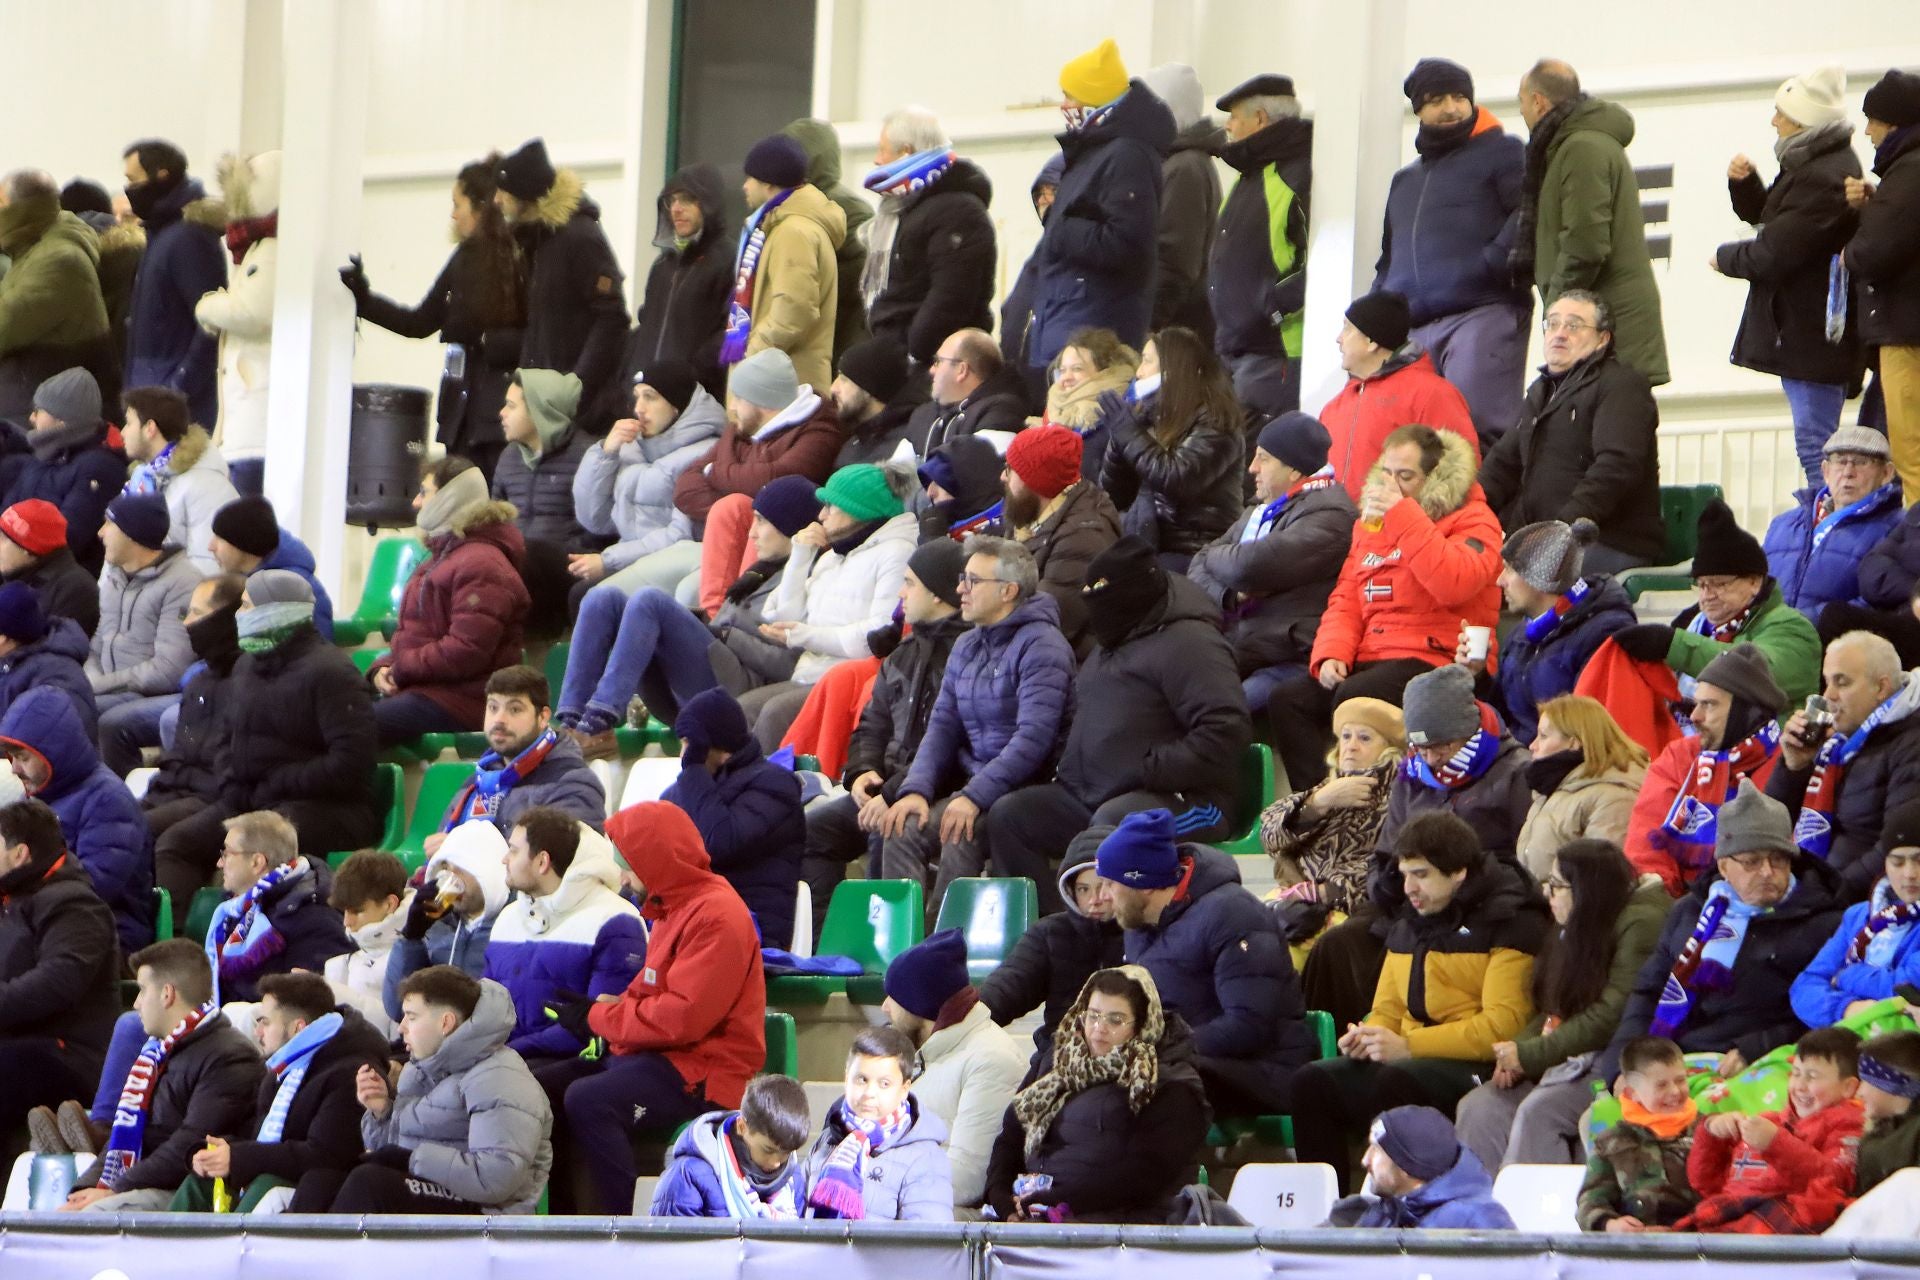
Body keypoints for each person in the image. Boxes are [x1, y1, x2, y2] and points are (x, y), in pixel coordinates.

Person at [1291, 812, 1549, 1194]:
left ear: (1458, 872)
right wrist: (1369, 1036)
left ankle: (1397, 1202)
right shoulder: (1411, 921)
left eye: (1422, 874)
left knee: (1397, 1079)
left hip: (1478, 1065)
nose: (1409, 887)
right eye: (1405, 873)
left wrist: (1409, 1047)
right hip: (1412, 1058)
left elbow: (1502, 1026)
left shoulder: (1510, 919)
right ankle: (1328, 1206)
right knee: (1312, 1081)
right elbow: (1389, 1008)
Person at [989, 538, 1249, 916]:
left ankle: (1111, 949)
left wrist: (1150, 769)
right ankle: (1052, 934)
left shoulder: (1191, 642)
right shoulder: (1110, 644)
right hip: (1097, 794)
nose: (1097, 612)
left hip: (1189, 800)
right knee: (1012, 815)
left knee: (1113, 825)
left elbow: (1226, 729)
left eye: (1105, 599)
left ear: (1132, 594)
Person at [555, 802, 768, 1216]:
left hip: (706, 1072)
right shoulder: (672, 907)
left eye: (630, 865)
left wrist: (599, 1019)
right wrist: (602, 1010)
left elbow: (681, 1019)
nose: (624, 878)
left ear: (656, 860)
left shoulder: (718, 915)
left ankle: (620, 1228)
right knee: (544, 1085)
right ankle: (560, 1219)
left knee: (588, 1099)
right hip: (665, 1058)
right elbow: (648, 994)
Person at [1268, 423, 1502, 794]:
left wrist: (1404, 516)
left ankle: (1370, 807)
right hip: (1372, 655)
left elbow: (1454, 582)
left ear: (1435, 476)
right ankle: (1321, 806)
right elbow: (1347, 596)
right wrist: (1332, 653)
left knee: (1357, 697)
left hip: (1437, 658)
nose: (1392, 484)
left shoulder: (1474, 519)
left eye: (1406, 476)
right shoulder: (1370, 526)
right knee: (1287, 700)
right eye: (1388, 474)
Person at [1596, 779, 1844, 1090]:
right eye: (1752, 861)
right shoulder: (1690, 911)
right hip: (1671, 1058)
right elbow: (1648, 992)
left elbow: (1826, 1014)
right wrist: (1621, 1068)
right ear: (1724, 866)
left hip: (1751, 1067)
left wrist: (1757, 1047)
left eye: (1778, 859)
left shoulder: (1823, 924)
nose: (1767, 872)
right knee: (1574, 1115)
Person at [153, 575, 375, 913]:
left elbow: (351, 763)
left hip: (324, 808)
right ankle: (181, 949)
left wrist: (276, 783)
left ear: (279, 611)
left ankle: (258, 943)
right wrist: (233, 785)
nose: (239, 614)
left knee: (250, 846)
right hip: (253, 800)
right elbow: (227, 741)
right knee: (175, 843)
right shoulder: (246, 666)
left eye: (246, 605)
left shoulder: (331, 672)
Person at [1453, 839, 1669, 1173]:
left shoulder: (1640, 924)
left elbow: (1611, 1017)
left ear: (1587, 891)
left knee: (1540, 1112)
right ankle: (1482, 1215)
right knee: (1480, 1106)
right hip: (1567, 1052)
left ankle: (1536, 1221)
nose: (1545, 894)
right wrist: (1515, 1052)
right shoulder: (1577, 923)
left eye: (1557, 886)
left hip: (1612, 1057)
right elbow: (1552, 1006)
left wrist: (1530, 1055)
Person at [883, 536, 1074, 912]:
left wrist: (974, 796)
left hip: (1025, 790)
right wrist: (916, 789)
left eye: (972, 581)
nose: (959, 590)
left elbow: (1033, 740)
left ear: (1008, 591)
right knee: (903, 826)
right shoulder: (966, 645)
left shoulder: (1042, 646)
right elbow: (941, 727)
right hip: (977, 787)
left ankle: (948, 947)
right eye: (961, 578)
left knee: (959, 831)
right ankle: (900, 948)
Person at [556, 476, 816, 745]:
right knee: (601, 597)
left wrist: (727, 636)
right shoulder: (762, 571)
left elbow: (791, 665)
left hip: (739, 690)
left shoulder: (809, 580)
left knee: (650, 600)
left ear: (790, 526)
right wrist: (703, 624)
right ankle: (571, 720)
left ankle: (599, 722)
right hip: (709, 672)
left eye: (762, 521)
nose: (751, 533)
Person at [1096, 808, 1315, 1115]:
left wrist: (1157, 1050)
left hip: (1264, 1068)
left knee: (1141, 1076)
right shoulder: (1138, 924)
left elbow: (1249, 1026)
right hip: (1190, 1060)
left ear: (1143, 882)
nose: (1102, 896)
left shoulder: (1234, 915)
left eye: (1109, 883)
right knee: (1067, 1062)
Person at [289, 967, 552, 1214]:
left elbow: (496, 1178)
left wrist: (412, 1159)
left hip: (490, 1209)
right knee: (321, 1178)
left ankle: (331, 1262)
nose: (401, 1027)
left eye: (411, 1017)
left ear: (445, 1023)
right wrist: (382, 1111)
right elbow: (394, 1150)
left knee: (370, 1183)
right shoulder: (419, 1071)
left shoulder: (499, 1077)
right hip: (434, 1186)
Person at [802, 541, 968, 922]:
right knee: (810, 833)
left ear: (939, 594)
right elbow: (871, 726)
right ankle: (828, 937)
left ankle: (883, 947)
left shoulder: (967, 654)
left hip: (936, 788)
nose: (901, 592)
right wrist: (862, 773)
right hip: (887, 787)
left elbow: (954, 746)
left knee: (886, 826)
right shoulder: (902, 653)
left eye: (909, 583)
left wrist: (891, 793)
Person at [1714, 67, 1864, 486]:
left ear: (1803, 120)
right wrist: (1746, 188)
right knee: (1817, 444)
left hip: (1812, 334)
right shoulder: (1810, 163)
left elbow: (1777, 251)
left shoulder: (1822, 175)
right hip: (1805, 332)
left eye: (1780, 112)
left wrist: (1724, 258)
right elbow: (1779, 222)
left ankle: (1829, 531)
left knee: (1818, 448)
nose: (1774, 120)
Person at [1374, 59, 1530, 445]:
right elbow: (1387, 256)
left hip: (1482, 312)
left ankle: (1487, 508)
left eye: (1460, 96)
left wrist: (1491, 264)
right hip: (1414, 331)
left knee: (1476, 433)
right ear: (1419, 110)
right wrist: (1380, 309)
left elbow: (1529, 211)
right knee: (1418, 443)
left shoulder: (1503, 151)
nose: (1451, 107)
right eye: (1436, 99)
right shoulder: (1404, 180)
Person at [342, 152, 527, 476]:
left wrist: (484, 339)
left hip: (496, 418)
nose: (453, 216)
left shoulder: (518, 258)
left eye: (458, 204)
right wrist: (364, 299)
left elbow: (536, 336)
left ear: (480, 207)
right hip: (460, 415)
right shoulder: (463, 259)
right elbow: (418, 322)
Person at [983, 965, 1211, 1224]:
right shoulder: (1055, 1062)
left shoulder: (1169, 1081)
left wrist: (1059, 1200)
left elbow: (1146, 1174)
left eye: (1115, 1020)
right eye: (1093, 1016)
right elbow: (1011, 1137)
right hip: (1041, 1213)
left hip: (1123, 1223)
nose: (1100, 1028)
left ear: (1142, 1025)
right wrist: (1000, 1195)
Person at [57, 939, 261, 1212]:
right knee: (67, 1211)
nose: (137, 1004)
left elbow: (189, 1144)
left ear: (167, 994)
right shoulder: (157, 1052)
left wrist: (114, 1190)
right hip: (146, 1184)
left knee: (91, 1218)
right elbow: (126, 1133)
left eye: (142, 991)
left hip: (190, 1192)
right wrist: (87, 1188)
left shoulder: (229, 1057)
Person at [167, 971, 390, 1214]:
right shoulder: (280, 1068)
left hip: (313, 1191)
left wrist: (240, 1157)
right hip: (268, 1174)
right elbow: (257, 1138)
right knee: (200, 1182)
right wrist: (212, 1152)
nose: (258, 1032)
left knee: (265, 1185)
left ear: (297, 1028)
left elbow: (324, 1155)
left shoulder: (349, 1071)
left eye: (265, 1022)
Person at [1597, 499, 1823, 737]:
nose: (1708, 596)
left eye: (1719, 584)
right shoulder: (1693, 624)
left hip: (1756, 760)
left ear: (1754, 582)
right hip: (1686, 753)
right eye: (1702, 585)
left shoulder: (1793, 629)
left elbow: (1754, 672)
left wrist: (1672, 645)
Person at [1479, 293, 1664, 574]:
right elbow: (1501, 466)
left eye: (1574, 326)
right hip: (1541, 540)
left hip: (1606, 542)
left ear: (1603, 339)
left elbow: (1616, 467)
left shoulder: (1622, 386)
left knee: (1504, 580)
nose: (1560, 334)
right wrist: (1462, 515)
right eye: (1552, 324)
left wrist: (1560, 532)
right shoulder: (1540, 392)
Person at [1513, 61, 1669, 387]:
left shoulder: (1580, 147)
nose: (1523, 113)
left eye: (1522, 103)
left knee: (1612, 433)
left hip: (1608, 329)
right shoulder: (1573, 145)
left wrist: (1557, 310)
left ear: (1538, 101)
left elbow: (1585, 243)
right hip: (1598, 324)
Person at [1190, 411, 1356, 711]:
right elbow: (1197, 565)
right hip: (1241, 646)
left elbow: (1248, 567)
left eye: (1263, 458)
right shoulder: (1263, 507)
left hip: (1287, 656)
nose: (1252, 468)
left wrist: (1212, 556)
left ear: (1294, 469)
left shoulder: (1331, 516)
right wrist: (1229, 593)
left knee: (1219, 712)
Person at [1026, 39, 1172, 375]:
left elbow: (1126, 244)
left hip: (1092, 338)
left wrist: (1061, 228)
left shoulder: (1126, 156)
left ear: (1095, 98)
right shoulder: (1095, 153)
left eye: (1070, 96)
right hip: (1069, 327)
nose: (1064, 105)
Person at [749, 463, 917, 747]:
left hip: (847, 682)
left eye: (831, 506)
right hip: (809, 674)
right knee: (741, 710)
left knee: (772, 715)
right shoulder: (834, 555)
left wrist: (802, 635)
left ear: (860, 509)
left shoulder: (897, 553)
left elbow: (878, 635)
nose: (821, 515)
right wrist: (801, 556)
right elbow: (782, 615)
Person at [368, 457, 528, 744]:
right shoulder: (439, 557)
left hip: (465, 701)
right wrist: (381, 669)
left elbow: (466, 650)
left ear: (450, 497)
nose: (416, 502)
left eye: (424, 492)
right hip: (429, 690)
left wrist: (401, 669)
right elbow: (414, 636)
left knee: (352, 728)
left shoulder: (482, 564)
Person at [486, 808, 646, 1068]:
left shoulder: (615, 921)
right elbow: (487, 1006)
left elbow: (598, 1024)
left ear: (542, 862)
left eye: (514, 850)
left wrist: (505, 1053)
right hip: (508, 1058)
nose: (505, 859)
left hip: (572, 1063)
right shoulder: (507, 918)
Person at [880, 928, 1028, 1208]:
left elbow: (967, 1180)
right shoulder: (925, 1053)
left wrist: (882, 1183)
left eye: (893, 996)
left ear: (919, 1002)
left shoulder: (991, 1060)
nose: (884, 1007)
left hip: (951, 1230)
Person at [1624, 644, 1788, 895]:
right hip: (1678, 903)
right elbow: (1646, 844)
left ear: (1744, 712)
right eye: (1696, 704)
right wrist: (1661, 899)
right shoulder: (1680, 756)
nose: (1694, 717)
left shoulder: (1787, 763)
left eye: (1709, 705)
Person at [0, 798, 121, 1137]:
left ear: (19, 853)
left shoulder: (75, 903)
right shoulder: (11, 900)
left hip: (66, 1052)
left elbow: (57, 982)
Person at [0, 685, 151, 952]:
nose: (14, 768)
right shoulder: (37, 796)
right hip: (37, 926)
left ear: (55, 752)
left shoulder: (109, 802)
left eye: (23, 757)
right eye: (12, 757)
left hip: (106, 935)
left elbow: (90, 891)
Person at [1769, 630, 1920, 897]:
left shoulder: (1911, 745)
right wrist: (1794, 767)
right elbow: (1767, 828)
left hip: (1851, 902)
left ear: (1881, 688)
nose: (1828, 696)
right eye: (1826, 682)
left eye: (1842, 682)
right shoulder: (1834, 745)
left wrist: (1825, 894)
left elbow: (1896, 848)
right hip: (1811, 888)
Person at [1677, 1026, 1865, 1234]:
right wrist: (1712, 1134)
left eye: (1812, 1076)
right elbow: (1706, 1185)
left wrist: (1775, 1143)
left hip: (1777, 1223)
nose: (1800, 1085)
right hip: (1726, 1216)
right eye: (1795, 1074)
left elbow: (1838, 1181)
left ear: (1849, 1087)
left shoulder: (1850, 1126)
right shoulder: (1767, 1121)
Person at [492, 138, 627, 415]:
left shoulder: (579, 237)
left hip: (573, 411)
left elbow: (612, 317)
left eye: (503, 191)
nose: (497, 200)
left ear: (524, 193)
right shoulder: (538, 241)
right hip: (541, 404)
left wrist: (576, 387)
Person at [1469, 520, 1636, 744]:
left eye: (1509, 570)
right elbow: (1503, 717)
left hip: (1564, 769)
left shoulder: (1603, 634)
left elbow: (1593, 734)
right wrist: (1478, 676)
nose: (1500, 581)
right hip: (1520, 761)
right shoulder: (1523, 633)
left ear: (1540, 575)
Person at [662, 687, 803, 947]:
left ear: (712, 743)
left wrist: (694, 771)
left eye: (688, 743)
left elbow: (720, 842)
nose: (683, 755)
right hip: (694, 922)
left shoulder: (775, 784)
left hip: (751, 927)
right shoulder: (683, 790)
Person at [570, 364, 724, 601]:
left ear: (677, 406)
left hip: (672, 566)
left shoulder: (705, 454)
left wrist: (609, 561)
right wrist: (605, 454)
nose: (639, 409)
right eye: (637, 397)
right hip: (627, 559)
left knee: (586, 596)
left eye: (650, 398)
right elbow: (595, 520)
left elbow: (681, 536)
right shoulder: (632, 448)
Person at [1099, 327, 1244, 571]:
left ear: (1172, 370)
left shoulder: (1217, 421)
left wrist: (1128, 432)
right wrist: (1119, 436)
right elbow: (1115, 494)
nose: (1139, 372)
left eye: (1147, 362)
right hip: (1150, 541)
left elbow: (1176, 477)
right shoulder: (1150, 416)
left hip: (1195, 550)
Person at [861, 107, 996, 368]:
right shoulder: (904, 210)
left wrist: (915, 353)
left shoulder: (958, 212)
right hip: (896, 355)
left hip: (930, 365)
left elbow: (950, 298)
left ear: (905, 152)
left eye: (882, 150)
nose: (877, 160)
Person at [1211, 73, 1312, 417]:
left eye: (1235, 116)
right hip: (1236, 351)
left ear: (1260, 119)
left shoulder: (1297, 174)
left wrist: (1272, 307)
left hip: (1276, 352)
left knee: (1259, 463)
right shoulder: (1250, 178)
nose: (1228, 125)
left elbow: (1318, 258)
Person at [1260, 698, 1405, 934]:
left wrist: (1326, 891)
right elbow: (1268, 837)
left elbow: (1392, 864)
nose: (1351, 746)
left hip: (1355, 913)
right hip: (1293, 901)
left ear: (1390, 749)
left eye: (1364, 738)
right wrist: (1317, 803)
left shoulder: (1401, 799)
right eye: (1346, 736)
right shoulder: (1326, 789)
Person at [978, 834, 1126, 1064]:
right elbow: (1009, 985)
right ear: (1070, 890)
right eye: (1083, 889)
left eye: (1103, 887)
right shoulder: (1049, 932)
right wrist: (963, 1020)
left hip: (1127, 1056)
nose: (1094, 900)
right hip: (1060, 1056)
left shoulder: (1142, 932)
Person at [1318, 291, 1478, 501]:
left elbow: (1457, 473)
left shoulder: (1432, 394)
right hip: (1334, 529)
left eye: (1347, 328)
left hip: (1397, 530)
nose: (1339, 339)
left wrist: (1408, 521)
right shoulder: (1334, 407)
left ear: (1371, 341)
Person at [721, 132, 847, 395]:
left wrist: (751, 355)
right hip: (772, 387)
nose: (744, 186)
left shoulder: (793, 232)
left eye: (750, 178)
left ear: (768, 184)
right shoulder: (777, 227)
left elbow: (794, 309)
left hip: (783, 391)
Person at [672, 347, 845, 538]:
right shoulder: (740, 429)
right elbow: (685, 489)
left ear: (762, 401)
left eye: (738, 398)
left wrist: (714, 471)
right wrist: (735, 509)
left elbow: (774, 482)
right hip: (719, 539)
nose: (731, 407)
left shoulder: (819, 434)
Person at [1844, 71, 1920, 501]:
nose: (1867, 130)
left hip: (1905, 334)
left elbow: (1875, 250)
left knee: (1910, 453)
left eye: (1872, 120)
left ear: (1894, 123)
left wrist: (1849, 252)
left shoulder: (1908, 173)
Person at [86, 494, 202, 774]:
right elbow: (97, 643)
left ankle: (117, 803)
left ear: (132, 533)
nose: (100, 533)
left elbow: (167, 670)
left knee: (93, 714)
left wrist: (96, 685)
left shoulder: (182, 582)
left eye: (108, 524)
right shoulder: (114, 575)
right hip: (111, 688)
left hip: (153, 693)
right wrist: (88, 680)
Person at [189, 149, 279, 494]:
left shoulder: (270, 252)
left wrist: (207, 306)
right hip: (246, 425)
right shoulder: (258, 249)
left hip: (255, 426)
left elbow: (250, 312)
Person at [609, 163, 730, 413]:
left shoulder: (729, 260)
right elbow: (646, 325)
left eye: (687, 199)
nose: (676, 208)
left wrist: (689, 374)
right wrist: (628, 375)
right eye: (671, 201)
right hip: (645, 401)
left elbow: (730, 331)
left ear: (709, 203)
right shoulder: (663, 264)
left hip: (695, 403)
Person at [121, 139, 225, 425]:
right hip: (152, 394)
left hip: (175, 406)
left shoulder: (188, 237)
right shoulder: (160, 233)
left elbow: (211, 320)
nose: (129, 189)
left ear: (161, 175)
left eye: (133, 180)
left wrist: (179, 386)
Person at [993, 424, 1121, 657]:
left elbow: (1046, 622)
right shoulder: (1026, 514)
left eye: (1011, 469)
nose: (1003, 476)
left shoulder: (1083, 537)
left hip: (1062, 666)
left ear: (1037, 481)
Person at [802, 1025, 954, 1220]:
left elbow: (929, 1244)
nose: (869, 1094)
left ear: (904, 1088)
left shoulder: (926, 1158)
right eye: (861, 1079)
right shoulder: (827, 1139)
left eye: (884, 1084)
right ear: (846, 1077)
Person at [202, 811, 353, 1006]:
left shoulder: (314, 917)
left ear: (257, 862)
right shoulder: (240, 908)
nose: (220, 863)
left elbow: (310, 1006)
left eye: (227, 854)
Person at [1793, 799, 1920, 1028]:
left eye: (1919, 860)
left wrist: (1845, 976)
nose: (1910, 873)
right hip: (1848, 1039)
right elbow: (1804, 987)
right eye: (1898, 863)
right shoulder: (1859, 915)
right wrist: (1848, 1008)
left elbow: (1907, 985)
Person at [0, 169, 114, 421]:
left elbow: (6, 325)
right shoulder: (32, 247)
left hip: (46, 408)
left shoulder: (58, 258)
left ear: (22, 208)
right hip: (34, 397)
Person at [1763, 426, 1904, 616]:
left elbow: (1882, 600)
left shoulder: (1899, 527)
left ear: (1887, 473)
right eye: (1840, 461)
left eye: (1861, 462)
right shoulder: (1783, 524)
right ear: (1825, 471)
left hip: (1840, 639)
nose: (1848, 472)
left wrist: (1803, 626)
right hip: (1770, 639)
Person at [380, 820, 512, 1020]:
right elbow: (397, 1008)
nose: (452, 877)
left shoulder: (511, 925)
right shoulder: (437, 923)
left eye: (461, 868)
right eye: (446, 868)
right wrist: (411, 937)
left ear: (487, 871)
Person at [2, 367, 126, 575]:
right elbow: (9, 509)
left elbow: (68, 537)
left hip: (50, 578)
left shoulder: (100, 468)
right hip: (16, 561)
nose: (32, 418)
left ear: (61, 421)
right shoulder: (47, 450)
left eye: (39, 411)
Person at [1512, 696, 1647, 881]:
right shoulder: (1552, 786)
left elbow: (1598, 882)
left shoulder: (1615, 797)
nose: (1532, 745)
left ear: (1574, 743)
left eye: (1543, 736)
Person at [1573, 1036, 1700, 1231]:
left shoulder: (1706, 1130)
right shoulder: (1611, 1142)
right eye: (1661, 1085)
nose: (1675, 1091)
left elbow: (1729, 1193)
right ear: (1633, 1093)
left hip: (1699, 1243)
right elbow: (1590, 1201)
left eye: (1680, 1080)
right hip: (1638, 1247)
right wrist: (1611, 1225)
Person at [1325, 1104, 1515, 1229]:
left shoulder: (1477, 1221)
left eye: (1377, 1150)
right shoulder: (1379, 1212)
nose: (1365, 1160)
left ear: (1406, 1166)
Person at [650, 1074, 813, 1218]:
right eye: (768, 1150)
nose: (776, 1163)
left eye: (786, 1153)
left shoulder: (793, 1178)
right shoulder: (688, 1176)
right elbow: (674, 1250)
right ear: (742, 1127)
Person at [782, 117, 872, 365]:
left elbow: (864, 282)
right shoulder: (785, 209)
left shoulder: (847, 209)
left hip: (834, 340)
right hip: (802, 340)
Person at [1139, 64, 1220, 338]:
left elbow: (1174, 262)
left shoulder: (1185, 168)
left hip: (1173, 333)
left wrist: (1146, 326)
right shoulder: (1179, 163)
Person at [492, 368, 591, 552]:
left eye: (511, 406)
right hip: (516, 561)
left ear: (540, 411)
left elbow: (596, 530)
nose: (502, 413)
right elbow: (496, 519)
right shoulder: (509, 456)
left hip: (567, 566)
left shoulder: (587, 455)